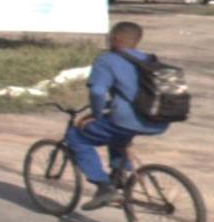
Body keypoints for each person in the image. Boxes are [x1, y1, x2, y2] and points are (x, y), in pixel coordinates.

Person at [66, 19, 167, 209]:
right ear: (137, 39)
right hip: (157, 121)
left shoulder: (107, 60)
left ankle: (103, 186)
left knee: (76, 137)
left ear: (115, 38)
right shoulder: (150, 60)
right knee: (117, 136)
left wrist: (95, 114)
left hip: (127, 120)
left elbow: (97, 92)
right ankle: (120, 175)